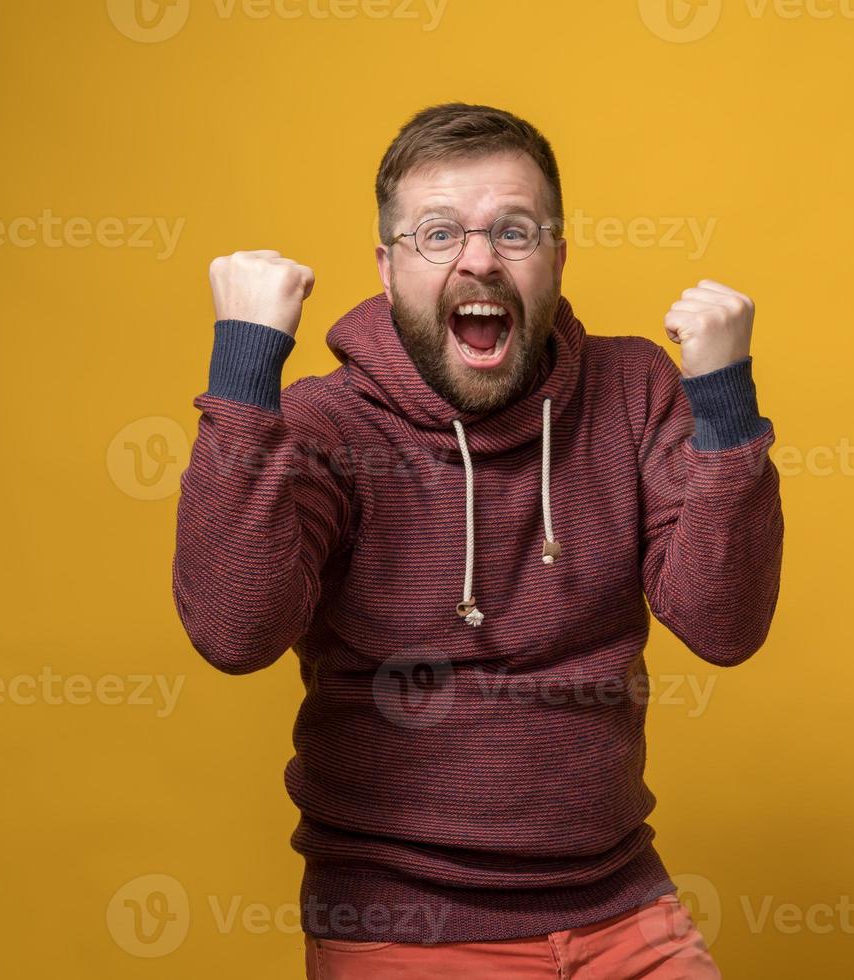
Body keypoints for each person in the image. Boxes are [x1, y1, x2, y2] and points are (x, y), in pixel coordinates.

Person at [172, 102, 784, 978]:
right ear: (386, 269)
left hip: (622, 908)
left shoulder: (635, 390)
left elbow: (724, 627)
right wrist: (244, 366)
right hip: (407, 930)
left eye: (516, 231)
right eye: (437, 233)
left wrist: (724, 402)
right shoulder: (325, 425)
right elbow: (233, 633)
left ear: (558, 259)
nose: (480, 259)